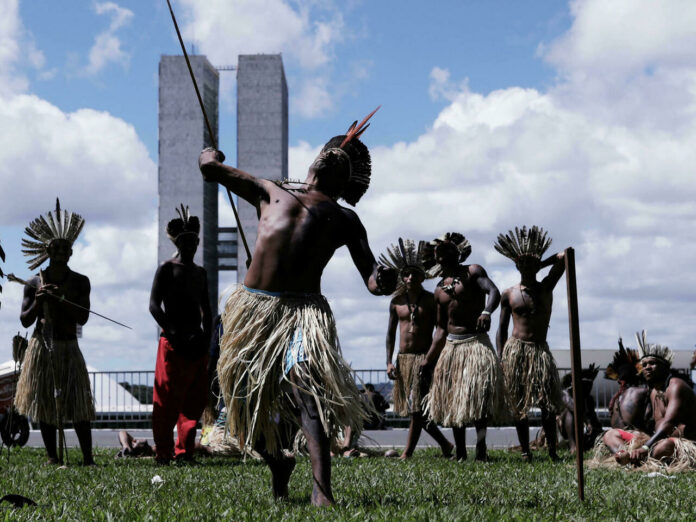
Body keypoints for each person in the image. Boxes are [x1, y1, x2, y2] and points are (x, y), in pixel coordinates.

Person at [198, 110, 396, 506]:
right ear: (313, 163)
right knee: (240, 399)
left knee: (306, 392)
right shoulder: (270, 190)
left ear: (343, 182)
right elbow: (211, 170)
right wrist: (209, 154)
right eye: (330, 152)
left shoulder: (343, 218)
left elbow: (372, 278)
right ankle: (277, 462)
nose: (333, 156)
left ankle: (322, 491)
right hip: (253, 310)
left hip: (303, 314)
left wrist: (385, 280)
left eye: (340, 159)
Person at [15, 199, 95, 465]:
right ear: (47, 249)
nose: (61, 252)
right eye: (56, 247)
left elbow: (82, 316)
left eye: (66, 248)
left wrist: (61, 299)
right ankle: (52, 456)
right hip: (43, 347)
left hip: (69, 345)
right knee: (46, 404)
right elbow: (25, 321)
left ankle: (87, 458)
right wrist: (39, 300)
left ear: (71, 252)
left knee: (80, 403)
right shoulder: (33, 282)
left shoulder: (80, 282)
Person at [420, 232, 506, 462]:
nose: (443, 256)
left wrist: (486, 311)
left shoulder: (473, 272)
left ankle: (481, 449)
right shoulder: (439, 290)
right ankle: (460, 452)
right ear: (436, 259)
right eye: (440, 253)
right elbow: (440, 329)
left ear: (457, 253)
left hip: (475, 344)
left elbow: (494, 291)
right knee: (454, 399)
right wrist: (428, 359)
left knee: (477, 398)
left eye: (448, 251)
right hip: (451, 348)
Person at [494, 225, 565, 462]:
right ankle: (526, 451)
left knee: (547, 403)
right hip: (516, 350)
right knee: (519, 402)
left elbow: (564, 257)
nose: (525, 268)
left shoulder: (545, 286)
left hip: (540, 350)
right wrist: (501, 357)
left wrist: (538, 263)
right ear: (515, 266)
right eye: (521, 264)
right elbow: (501, 328)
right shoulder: (509, 294)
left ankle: (553, 449)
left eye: (530, 265)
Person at [149, 205, 212, 464]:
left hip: (196, 343)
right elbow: (154, 305)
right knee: (166, 400)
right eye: (186, 241)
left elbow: (207, 310)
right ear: (178, 241)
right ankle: (163, 451)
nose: (191, 245)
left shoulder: (200, 273)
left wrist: (206, 338)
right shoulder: (167, 268)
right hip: (172, 342)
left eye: (195, 241)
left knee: (193, 400)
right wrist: (172, 332)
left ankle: (184, 451)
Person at [381, 238, 453, 459]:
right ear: (402, 276)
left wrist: (431, 359)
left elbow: (441, 330)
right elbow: (390, 334)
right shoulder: (396, 302)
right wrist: (389, 362)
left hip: (424, 359)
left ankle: (407, 453)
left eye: (415, 274)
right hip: (403, 360)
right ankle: (446, 446)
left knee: (417, 410)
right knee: (420, 412)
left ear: (423, 276)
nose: (410, 278)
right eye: (407, 274)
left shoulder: (432, 300)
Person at [598, 331, 696, 470]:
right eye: (644, 365)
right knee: (610, 434)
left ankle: (639, 460)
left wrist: (645, 447)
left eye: (652, 363)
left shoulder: (676, 386)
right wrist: (639, 439)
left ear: (665, 367)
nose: (647, 368)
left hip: (681, 443)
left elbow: (668, 424)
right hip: (655, 443)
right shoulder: (654, 392)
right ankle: (624, 456)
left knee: (663, 447)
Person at [605, 338, 652, 432]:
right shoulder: (643, 392)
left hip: (617, 439)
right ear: (637, 377)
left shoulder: (615, 399)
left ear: (619, 380)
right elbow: (649, 418)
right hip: (635, 441)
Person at [557, 365, 603, 453]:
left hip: (582, 427)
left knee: (595, 422)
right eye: (586, 385)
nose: (589, 388)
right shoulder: (566, 394)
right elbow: (574, 408)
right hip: (561, 430)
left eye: (590, 385)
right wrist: (587, 421)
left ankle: (591, 443)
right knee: (569, 414)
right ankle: (573, 445)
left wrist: (592, 424)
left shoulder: (588, 398)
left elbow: (591, 415)